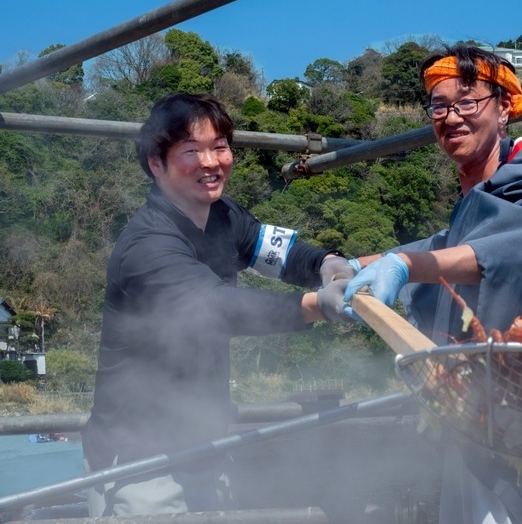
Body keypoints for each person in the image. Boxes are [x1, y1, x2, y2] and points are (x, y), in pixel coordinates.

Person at [82, 93, 354, 517]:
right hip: (141, 459)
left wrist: (327, 262)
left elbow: (279, 252)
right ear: (156, 163)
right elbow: (214, 309)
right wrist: (318, 304)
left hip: (207, 444)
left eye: (220, 147)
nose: (211, 162)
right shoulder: (147, 244)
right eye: (192, 151)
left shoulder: (224, 215)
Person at [343, 45, 522, 524]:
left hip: (516, 424)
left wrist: (403, 266)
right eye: (439, 105)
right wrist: (345, 265)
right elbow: (441, 245)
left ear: (504, 107)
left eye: (467, 101)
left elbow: (501, 250)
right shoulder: (478, 200)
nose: (452, 117)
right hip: (470, 424)